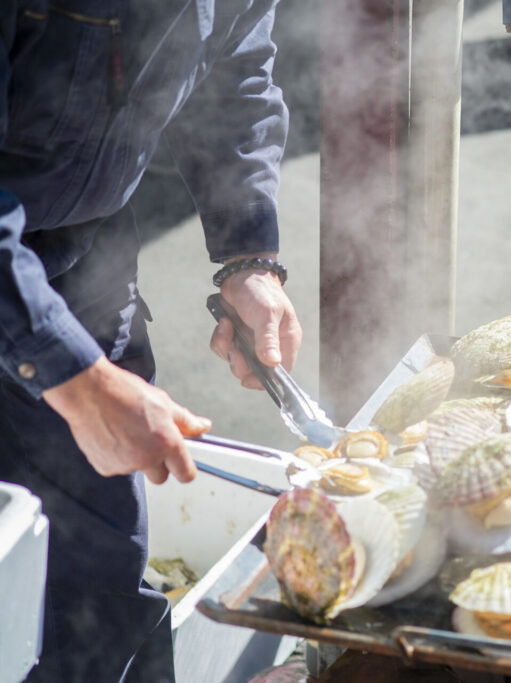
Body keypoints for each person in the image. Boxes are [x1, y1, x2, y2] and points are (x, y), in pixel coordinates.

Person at [0, 0, 301, 680]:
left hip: (88, 255)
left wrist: (249, 257)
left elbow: (236, 73)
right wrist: (78, 381)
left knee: (101, 574)